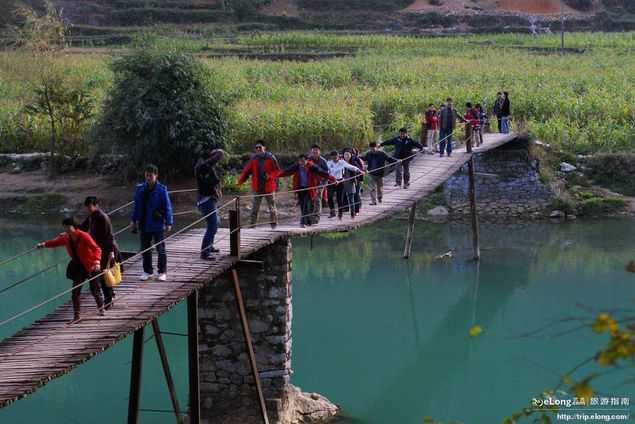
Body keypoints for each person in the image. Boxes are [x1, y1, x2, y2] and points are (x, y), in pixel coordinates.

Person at [37, 217, 103, 323]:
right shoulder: (66, 238)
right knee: (75, 292)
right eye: (65, 227)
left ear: (74, 226)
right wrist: (44, 244)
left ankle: (101, 308)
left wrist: (97, 261)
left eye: (68, 227)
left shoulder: (84, 236)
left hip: (91, 266)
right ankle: (77, 316)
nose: (66, 229)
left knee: (94, 290)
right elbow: (55, 242)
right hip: (79, 267)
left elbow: (96, 248)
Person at [131, 164, 173, 282]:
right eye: (146, 175)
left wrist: (169, 222)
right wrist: (133, 220)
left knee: (160, 248)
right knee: (145, 248)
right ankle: (147, 271)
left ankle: (162, 271)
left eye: (151, 175)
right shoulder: (140, 188)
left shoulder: (161, 189)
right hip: (143, 223)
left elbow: (167, 206)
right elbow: (136, 206)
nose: (148, 178)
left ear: (156, 175)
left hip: (157, 223)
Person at [80, 196, 119, 310]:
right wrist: (70, 231)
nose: (88, 209)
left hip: (106, 249)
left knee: (104, 275)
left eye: (90, 207)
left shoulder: (103, 217)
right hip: (97, 250)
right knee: (101, 275)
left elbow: (109, 235)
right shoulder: (92, 216)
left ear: (96, 205)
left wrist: (111, 252)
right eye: (87, 207)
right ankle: (109, 297)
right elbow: (83, 227)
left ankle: (108, 300)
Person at [277, 154, 335, 228]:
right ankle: (308, 221)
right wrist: (274, 175)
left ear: (307, 161)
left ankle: (302, 222)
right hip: (301, 189)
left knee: (306, 204)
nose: (301, 163)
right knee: (302, 205)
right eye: (300, 161)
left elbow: (323, 173)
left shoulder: (312, 166)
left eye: (303, 161)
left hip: (309, 189)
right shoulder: (297, 166)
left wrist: (333, 179)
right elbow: (286, 171)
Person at [238, 141, 280, 229]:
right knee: (254, 209)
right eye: (256, 148)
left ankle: (274, 225)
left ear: (264, 148)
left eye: (259, 147)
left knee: (272, 208)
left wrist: (270, 176)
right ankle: (252, 226)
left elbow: (277, 171)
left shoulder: (271, 157)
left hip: (269, 187)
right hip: (258, 188)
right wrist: (240, 182)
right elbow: (246, 171)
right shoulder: (253, 158)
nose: (258, 149)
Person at [195, 148, 224, 260]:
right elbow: (207, 184)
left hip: (210, 199)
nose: (217, 160)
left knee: (215, 223)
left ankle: (210, 246)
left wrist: (217, 188)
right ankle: (204, 252)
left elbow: (215, 180)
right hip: (206, 200)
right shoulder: (202, 167)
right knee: (212, 226)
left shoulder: (207, 167)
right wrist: (215, 189)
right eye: (216, 158)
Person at [327, 150, 363, 220]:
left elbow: (350, 167)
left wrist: (359, 170)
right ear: (331, 157)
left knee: (339, 198)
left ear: (338, 157)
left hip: (340, 182)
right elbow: (326, 172)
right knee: (329, 197)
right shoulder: (329, 163)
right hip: (331, 182)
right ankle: (332, 211)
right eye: (333, 158)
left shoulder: (342, 162)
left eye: (336, 157)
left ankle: (340, 213)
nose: (335, 159)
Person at [308, 144, 329, 224]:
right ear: (311, 152)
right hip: (311, 183)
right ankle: (309, 216)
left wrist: (323, 182)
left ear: (319, 152)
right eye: (313, 151)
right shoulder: (308, 160)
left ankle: (316, 218)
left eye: (316, 150)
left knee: (317, 198)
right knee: (310, 199)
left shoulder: (323, 161)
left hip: (321, 183)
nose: (315, 152)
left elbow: (327, 173)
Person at [349, 148, 365, 215]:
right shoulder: (346, 160)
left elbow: (361, 169)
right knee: (354, 194)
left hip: (358, 179)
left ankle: (358, 209)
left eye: (352, 153)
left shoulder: (358, 160)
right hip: (351, 180)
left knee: (357, 194)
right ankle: (355, 208)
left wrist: (361, 180)